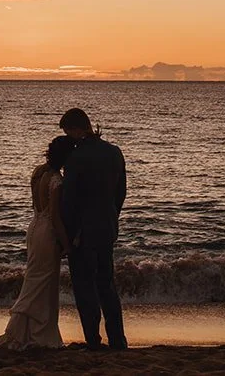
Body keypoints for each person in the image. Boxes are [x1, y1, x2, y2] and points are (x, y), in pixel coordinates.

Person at [0, 135, 75, 349]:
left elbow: (37, 206)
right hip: (47, 233)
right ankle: (38, 333)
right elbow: (54, 217)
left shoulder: (38, 172)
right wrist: (67, 244)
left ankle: (25, 330)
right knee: (44, 283)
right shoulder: (56, 180)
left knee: (35, 279)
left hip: (34, 228)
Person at [58, 107, 127, 350]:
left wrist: (66, 236)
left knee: (85, 288)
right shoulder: (114, 152)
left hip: (82, 233)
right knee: (107, 285)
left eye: (68, 131)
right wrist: (110, 217)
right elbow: (121, 194)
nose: (68, 137)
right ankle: (118, 339)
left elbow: (69, 202)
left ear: (77, 129)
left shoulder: (76, 159)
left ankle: (93, 340)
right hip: (107, 228)